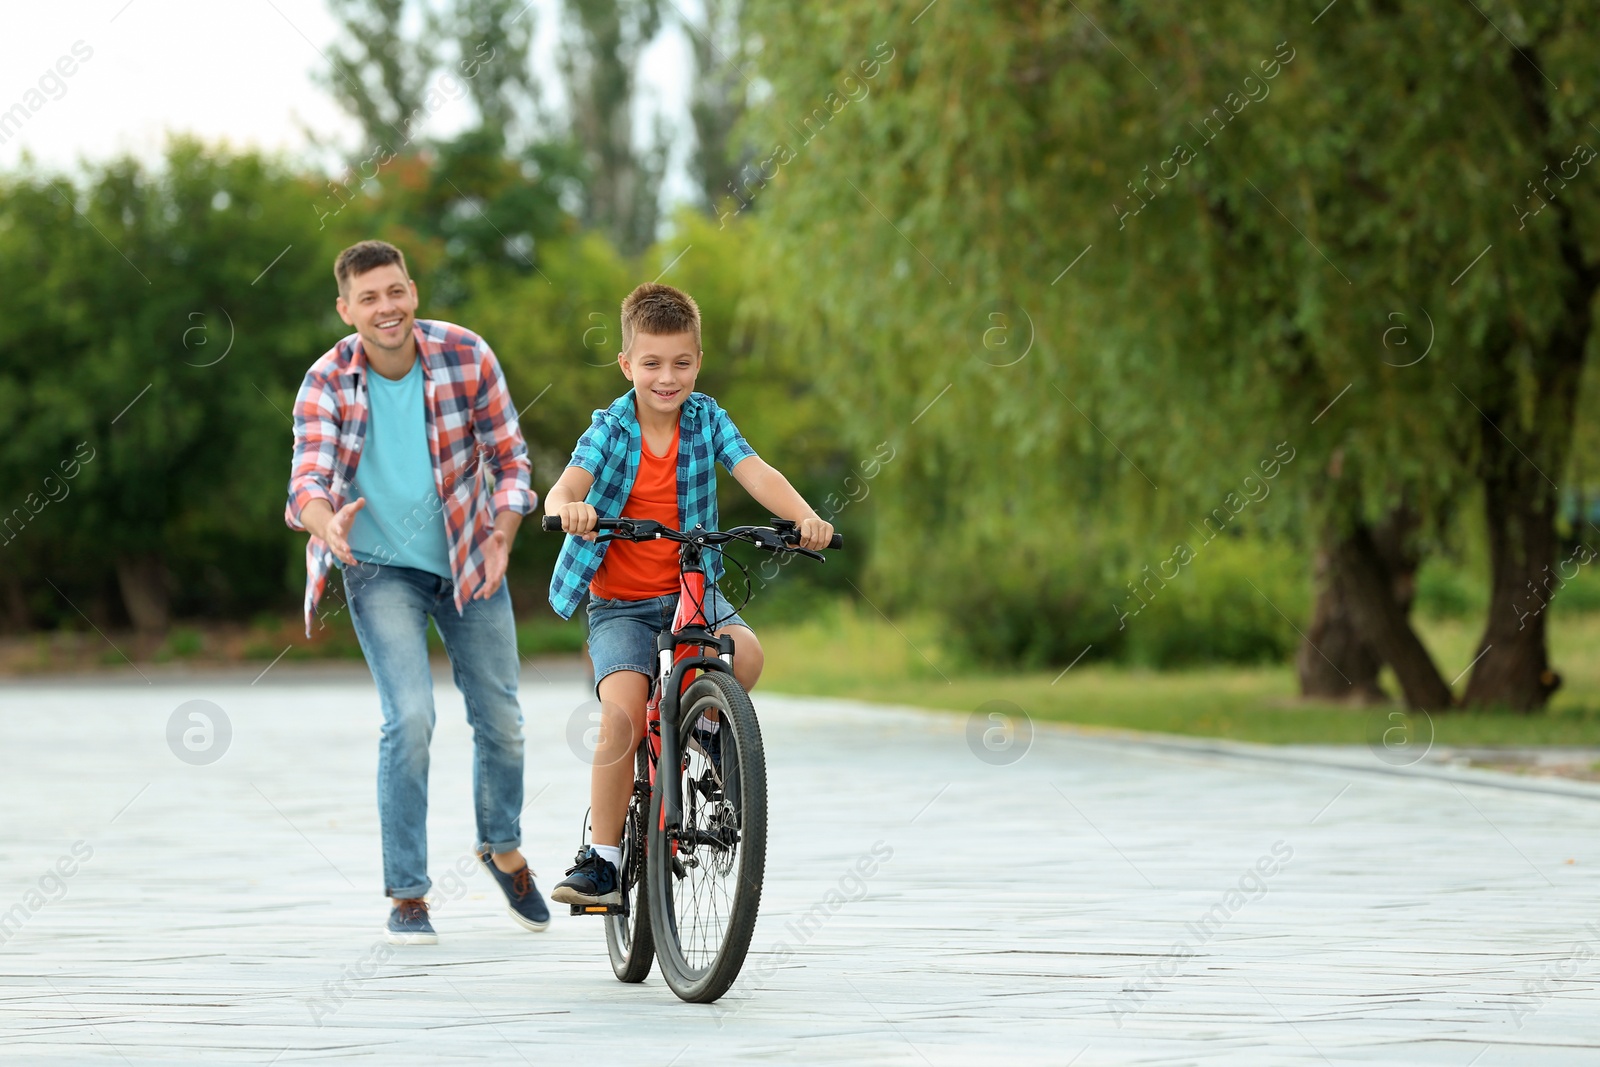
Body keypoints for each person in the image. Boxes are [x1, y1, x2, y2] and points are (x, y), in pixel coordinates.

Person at [284, 239, 549, 944]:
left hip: (470, 556)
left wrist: (503, 533)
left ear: (414, 292)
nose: (386, 307)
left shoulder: (466, 355)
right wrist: (325, 522)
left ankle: (501, 845)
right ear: (346, 309)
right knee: (410, 719)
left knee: (503, 720)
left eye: (395, 291)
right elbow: (306, 481)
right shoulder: (327, 379)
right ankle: (408, 894)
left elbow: (510, 456)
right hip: (376, 566)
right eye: (369, 298)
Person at [542, 282, 833, 905]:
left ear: (698, 361)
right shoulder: (611, 428)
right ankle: (602, 858)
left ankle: (700, 725)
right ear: (627, 365)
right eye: (651, 363)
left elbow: (754, 469)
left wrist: (805, 518)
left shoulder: (709, 419)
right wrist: (569, 509)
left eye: (681, 363)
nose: (666, 378)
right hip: (621, 604)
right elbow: (565, 486)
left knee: (745, 655)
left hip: (689, 590)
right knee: (622, 714)